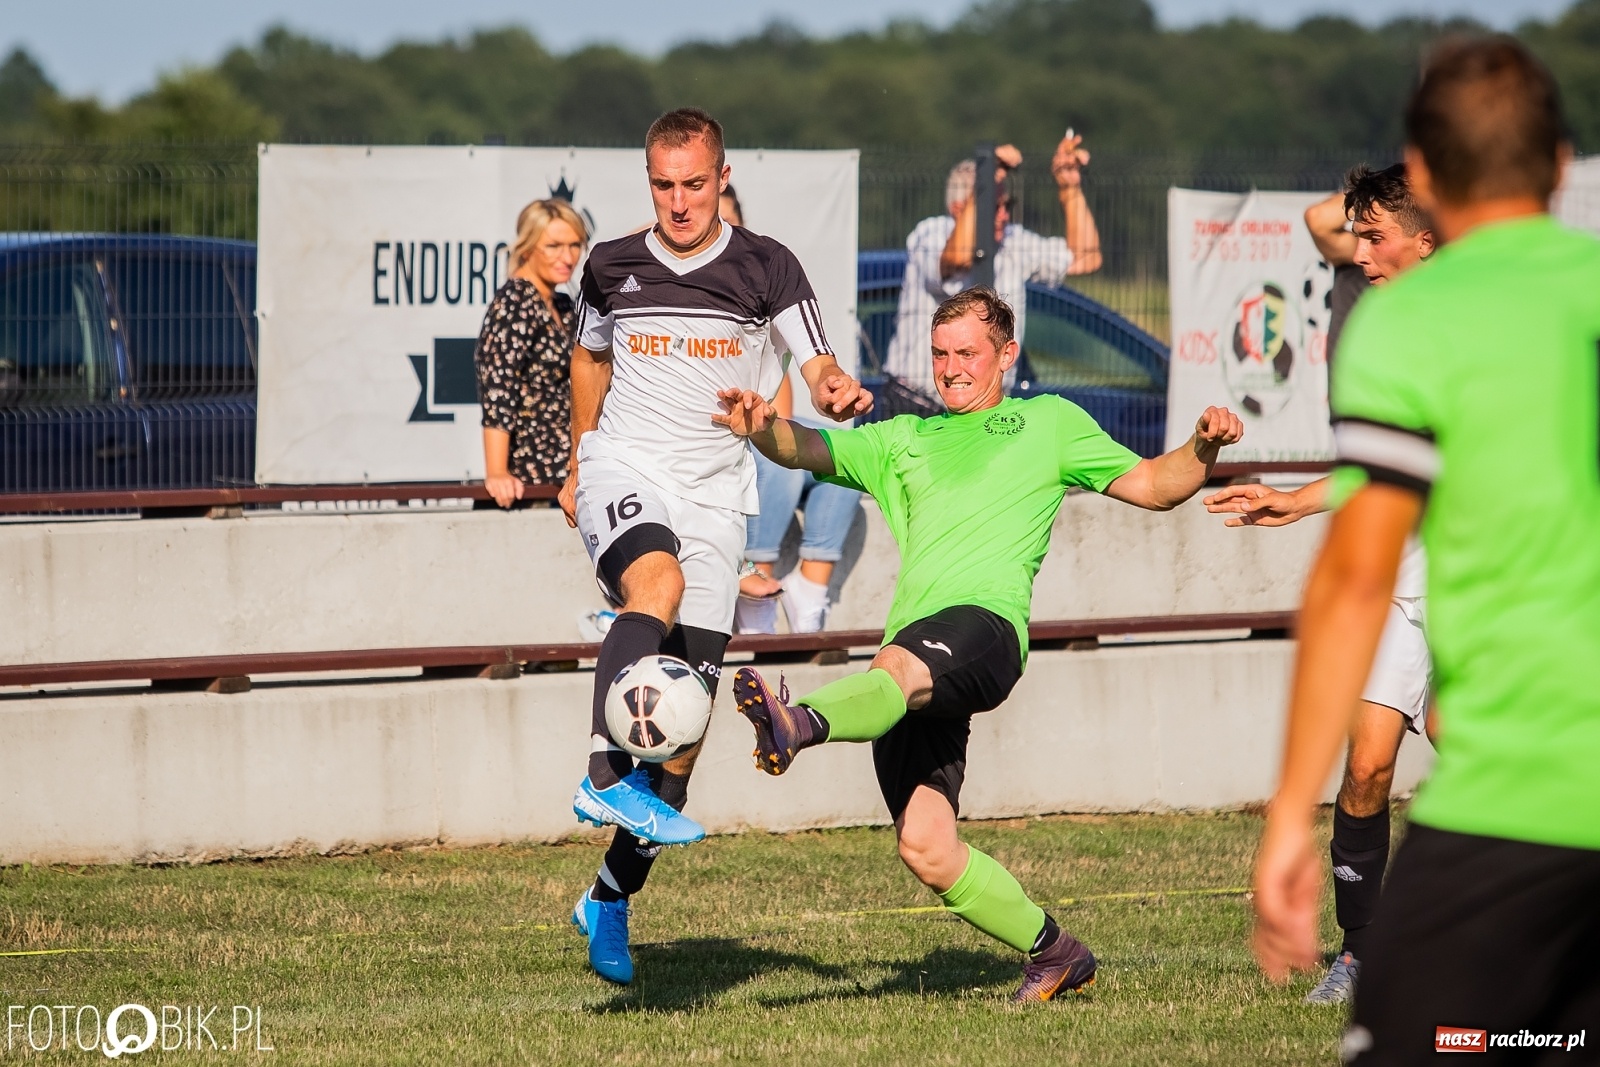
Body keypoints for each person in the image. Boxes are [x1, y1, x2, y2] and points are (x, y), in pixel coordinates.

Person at [714, 287, 1243, 1003]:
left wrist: (1201, 446)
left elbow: (1154, 485)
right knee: (926, 845)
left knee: (893, 667)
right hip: (914, 662)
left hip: (984, 631)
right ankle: (1057, 952)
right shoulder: (905, 438)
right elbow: (809, 446)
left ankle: (798, 720)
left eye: (968, 352)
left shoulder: (1048, 422)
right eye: (941, 353)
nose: (952, 367)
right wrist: (760, 426)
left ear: (1007, 355)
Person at [1252, 37, 1600, 1064]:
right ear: (1562, 164)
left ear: (1430, 179)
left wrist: (1282, 816)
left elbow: (1357, 573)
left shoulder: (1408, 329)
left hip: (1515, 806)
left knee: (1446, 1040)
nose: (1357, 251)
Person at [561, 108, 872, 986]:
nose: (680, 201)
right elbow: (589, 360)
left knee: (683, 745)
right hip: (626, 465)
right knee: (649, 584)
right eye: (663, 185)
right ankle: (597, 773)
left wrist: (836, 391)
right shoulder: (610, 264)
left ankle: (610, 897)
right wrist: (584, 458)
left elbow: (816, 367)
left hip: (714, 499)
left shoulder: (767, 266)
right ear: (648, 180)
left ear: (722, 174)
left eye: (695, 183)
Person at [1203, 163, 1435, 1005]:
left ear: (1426, 240)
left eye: (1373, 236)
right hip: (1405, 572)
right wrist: (1295, 503)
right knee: (1367, 767)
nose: (1357, 252)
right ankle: (1364, 954)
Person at [719, 183, 864, 635]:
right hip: (709, 441)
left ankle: (810, 588)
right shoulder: (670, 289)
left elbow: (780, 406)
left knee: (842, 448)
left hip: (753, 433)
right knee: (776, 460)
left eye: (725, 225)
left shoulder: (762, 294)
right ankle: (755, 589)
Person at [880, 131, 1102, 413]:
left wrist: (1068, 189)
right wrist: (988, 177)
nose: (1003, 216)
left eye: (1006, 206)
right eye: (993, 206)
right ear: (958, 207)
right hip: (918, 405)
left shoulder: (1012, 240)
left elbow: (1086, 257)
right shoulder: (932, 233)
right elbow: (957, 257)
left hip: (986, 410)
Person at [475, 199, 588, 505]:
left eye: (575, 245)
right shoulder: (515, 301)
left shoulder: (563, 305)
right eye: (553, 246)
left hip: (565, 479)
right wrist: (497, 472)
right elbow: (499, 388)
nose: (568, 257)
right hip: (527, 486)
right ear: (527, 247)